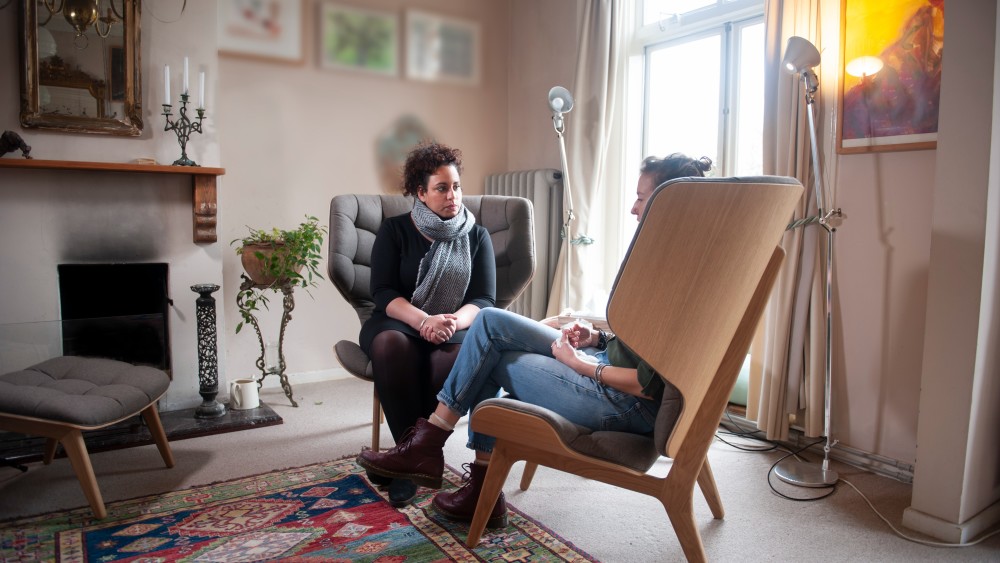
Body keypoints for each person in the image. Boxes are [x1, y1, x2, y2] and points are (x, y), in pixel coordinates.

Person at [358, 153, 712, 528]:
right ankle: (447, 462)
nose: (632, 207)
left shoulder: (668, 274)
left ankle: (443, 458)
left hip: (620, 402)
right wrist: (597, 337)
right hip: (609, 367)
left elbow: (646, 383)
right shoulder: (682, 258)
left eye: (642, 197)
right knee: (491, 326)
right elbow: (645, 350)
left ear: (669, 204)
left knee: (490, 349)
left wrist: (582, 364)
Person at [359, 142, 497, 507]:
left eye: (456, 187)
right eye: (441, 188)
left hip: (457, 324)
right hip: (400, 321)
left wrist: (451, 321)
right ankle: (412, 460)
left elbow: (484, 300)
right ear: (420, 192)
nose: (452, 196)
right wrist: (424, 321)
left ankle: (410, 458)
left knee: (447, 361)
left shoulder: (476, 235)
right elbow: (383, 291)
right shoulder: (394, 230)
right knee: (391, 347)